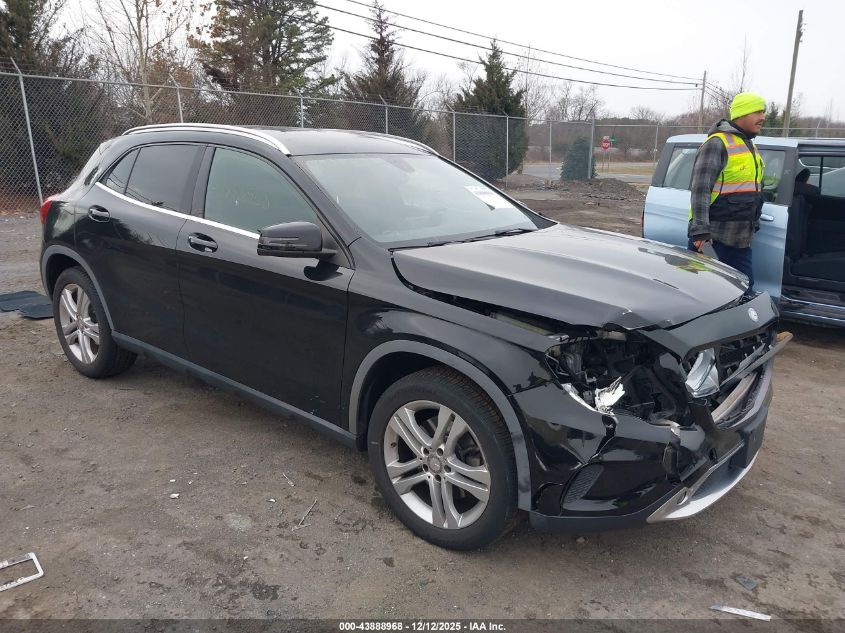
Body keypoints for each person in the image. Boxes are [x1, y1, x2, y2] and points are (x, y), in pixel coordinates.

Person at [688, 92, 767, 289]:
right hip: (713, 240)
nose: (763, 117)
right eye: (758, 111)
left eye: (763, 112)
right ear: (742, 113)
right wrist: (700, 232)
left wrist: (753, 223)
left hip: (740, 241)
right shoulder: (717, 143)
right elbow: (700, 190)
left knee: (744, 289)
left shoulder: (749, 146)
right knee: (703, 292)